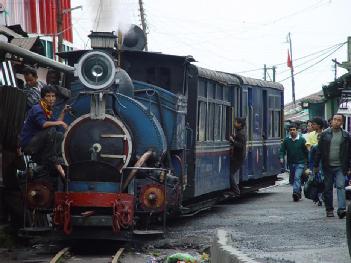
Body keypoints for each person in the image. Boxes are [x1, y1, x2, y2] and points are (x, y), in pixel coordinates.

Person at [19, 85, 70, 179]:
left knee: (59, 135)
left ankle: (54, 160)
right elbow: (43, 124)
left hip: (40, 142)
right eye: (48, 96)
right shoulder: (37, 108)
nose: (51, 99)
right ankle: (53, 160)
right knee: (51, 131)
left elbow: (56, 124)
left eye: (53, 96)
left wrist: (63, 112)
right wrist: (59, 122)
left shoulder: (47, 110)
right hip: (29, 144)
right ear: (43, 97)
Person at [314, 114, 351, 218]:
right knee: (328, 188)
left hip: (341, 166)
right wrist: (316, 165)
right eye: (334, 119)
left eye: (339, 120)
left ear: (342, 123)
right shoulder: (325, 134)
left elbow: (349, 152)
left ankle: (342, 209)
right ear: (331, 121)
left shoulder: (346, 136)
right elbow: (318, 151)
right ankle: (329, 209)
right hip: (327, 166)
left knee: (341, 186)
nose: (336, 122)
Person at [279, 123, 308, 201]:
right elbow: (282, 150)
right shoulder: (286, 140)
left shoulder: (302, 140)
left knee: (297, 177)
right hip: (291, 163)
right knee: (293, 179)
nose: (292, 131)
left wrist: (307, 163)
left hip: (301, 163)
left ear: (297, 130)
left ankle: (295, 192)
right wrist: (281, 157)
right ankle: (298, 192)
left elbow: (306, 152)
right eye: (291, 130)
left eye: (294, 130)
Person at [306, 117, 325, 206]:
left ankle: (322, 196)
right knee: (317, 181)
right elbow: (310, 154)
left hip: (324, 163)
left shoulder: (326, 133)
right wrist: (311, 167)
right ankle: (317, 197)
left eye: (313, 124)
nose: (312, 126)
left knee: (323, 181)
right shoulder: (311, 135)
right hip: (316, 163)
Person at [229, 117, 247, 195]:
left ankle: (236, 191)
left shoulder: (241, 133)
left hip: (238, 158)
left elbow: (240, 145)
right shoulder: (240, 132)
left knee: (230, 173)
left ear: (240, 124)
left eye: (236, 122)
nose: (234, 123)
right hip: (238, 157)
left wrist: (233, 141)